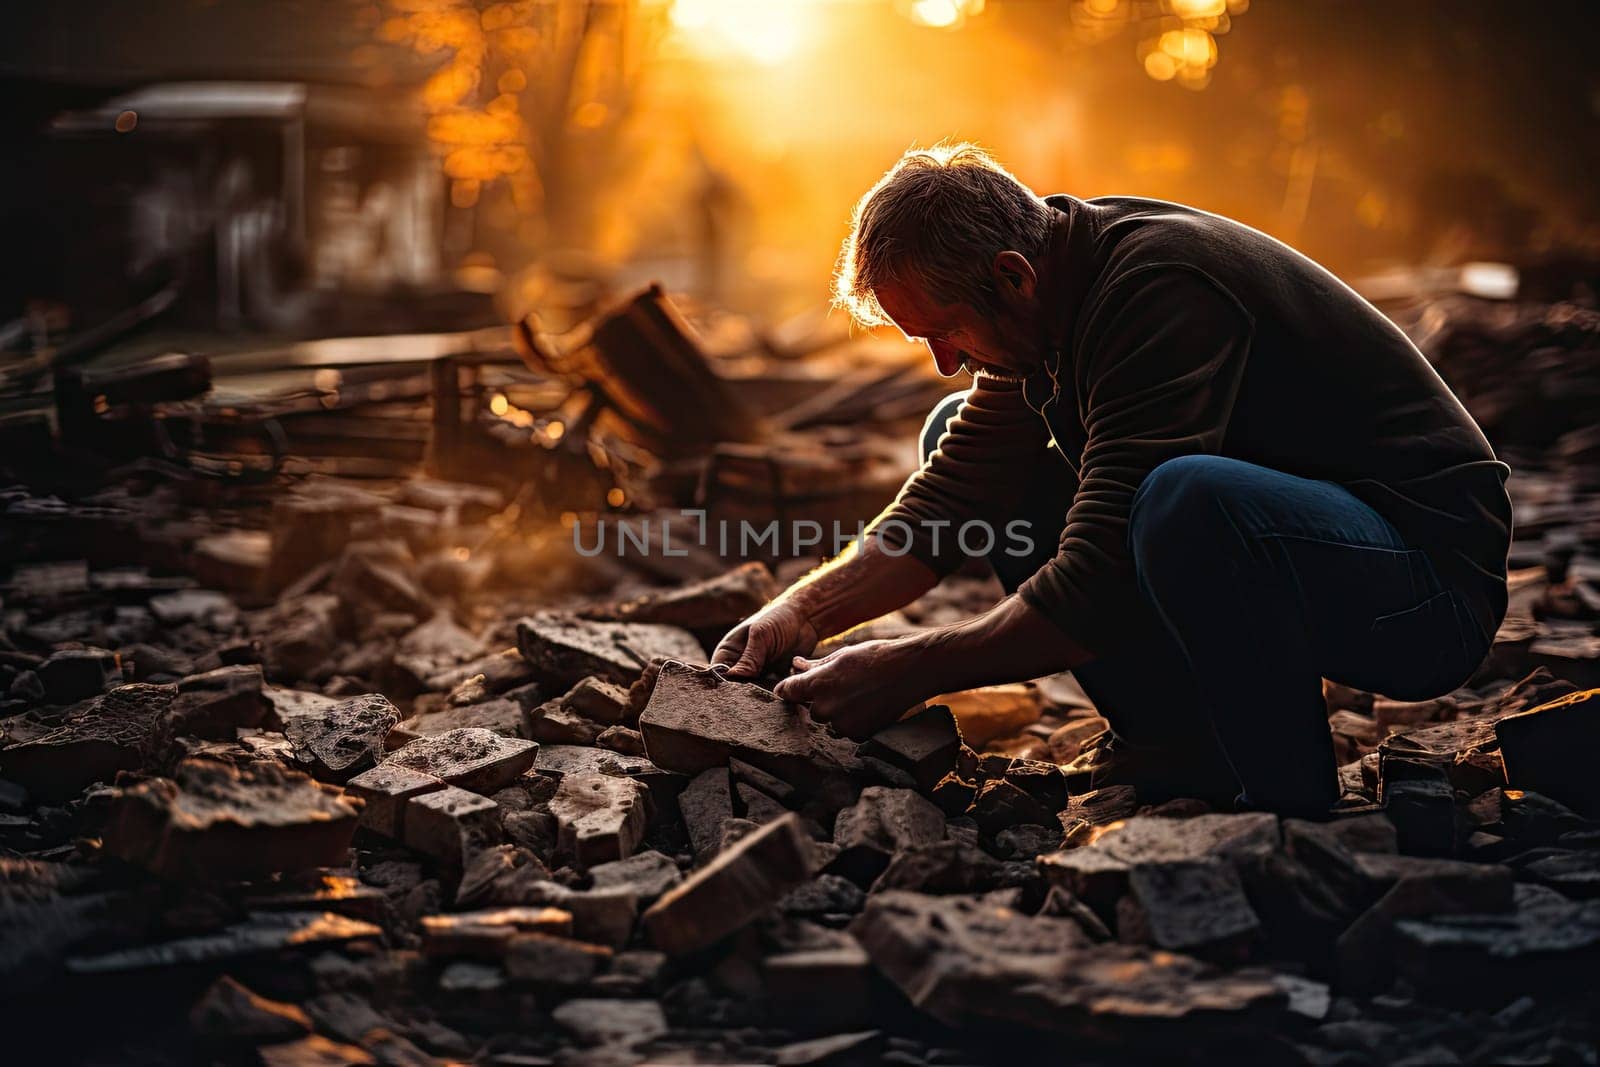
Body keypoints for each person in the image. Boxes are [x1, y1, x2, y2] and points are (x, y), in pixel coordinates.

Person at [710, 144, 1511, 818]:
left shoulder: (1156, 292)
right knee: (955, 437)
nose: (945, 361)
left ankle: (1285, 812)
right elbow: (949, 502)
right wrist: (799, 613)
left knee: (1186, 499)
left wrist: (906, 668)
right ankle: (1182, 744)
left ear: (1013, 275)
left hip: (1424, 589)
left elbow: (1095, 582)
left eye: (948, 330)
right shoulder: (1051, 290)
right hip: (1312, 548)